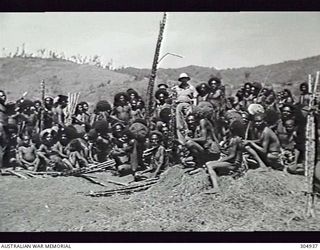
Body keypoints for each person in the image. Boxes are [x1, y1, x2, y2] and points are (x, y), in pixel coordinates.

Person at [205, 120, 245, 193]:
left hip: (233, 164)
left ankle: (216, 187)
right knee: (209, 164)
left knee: (210, 165)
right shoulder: (235, 139)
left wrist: (219, 161)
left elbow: (232, 156)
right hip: (232, 162)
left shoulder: (235, 140)